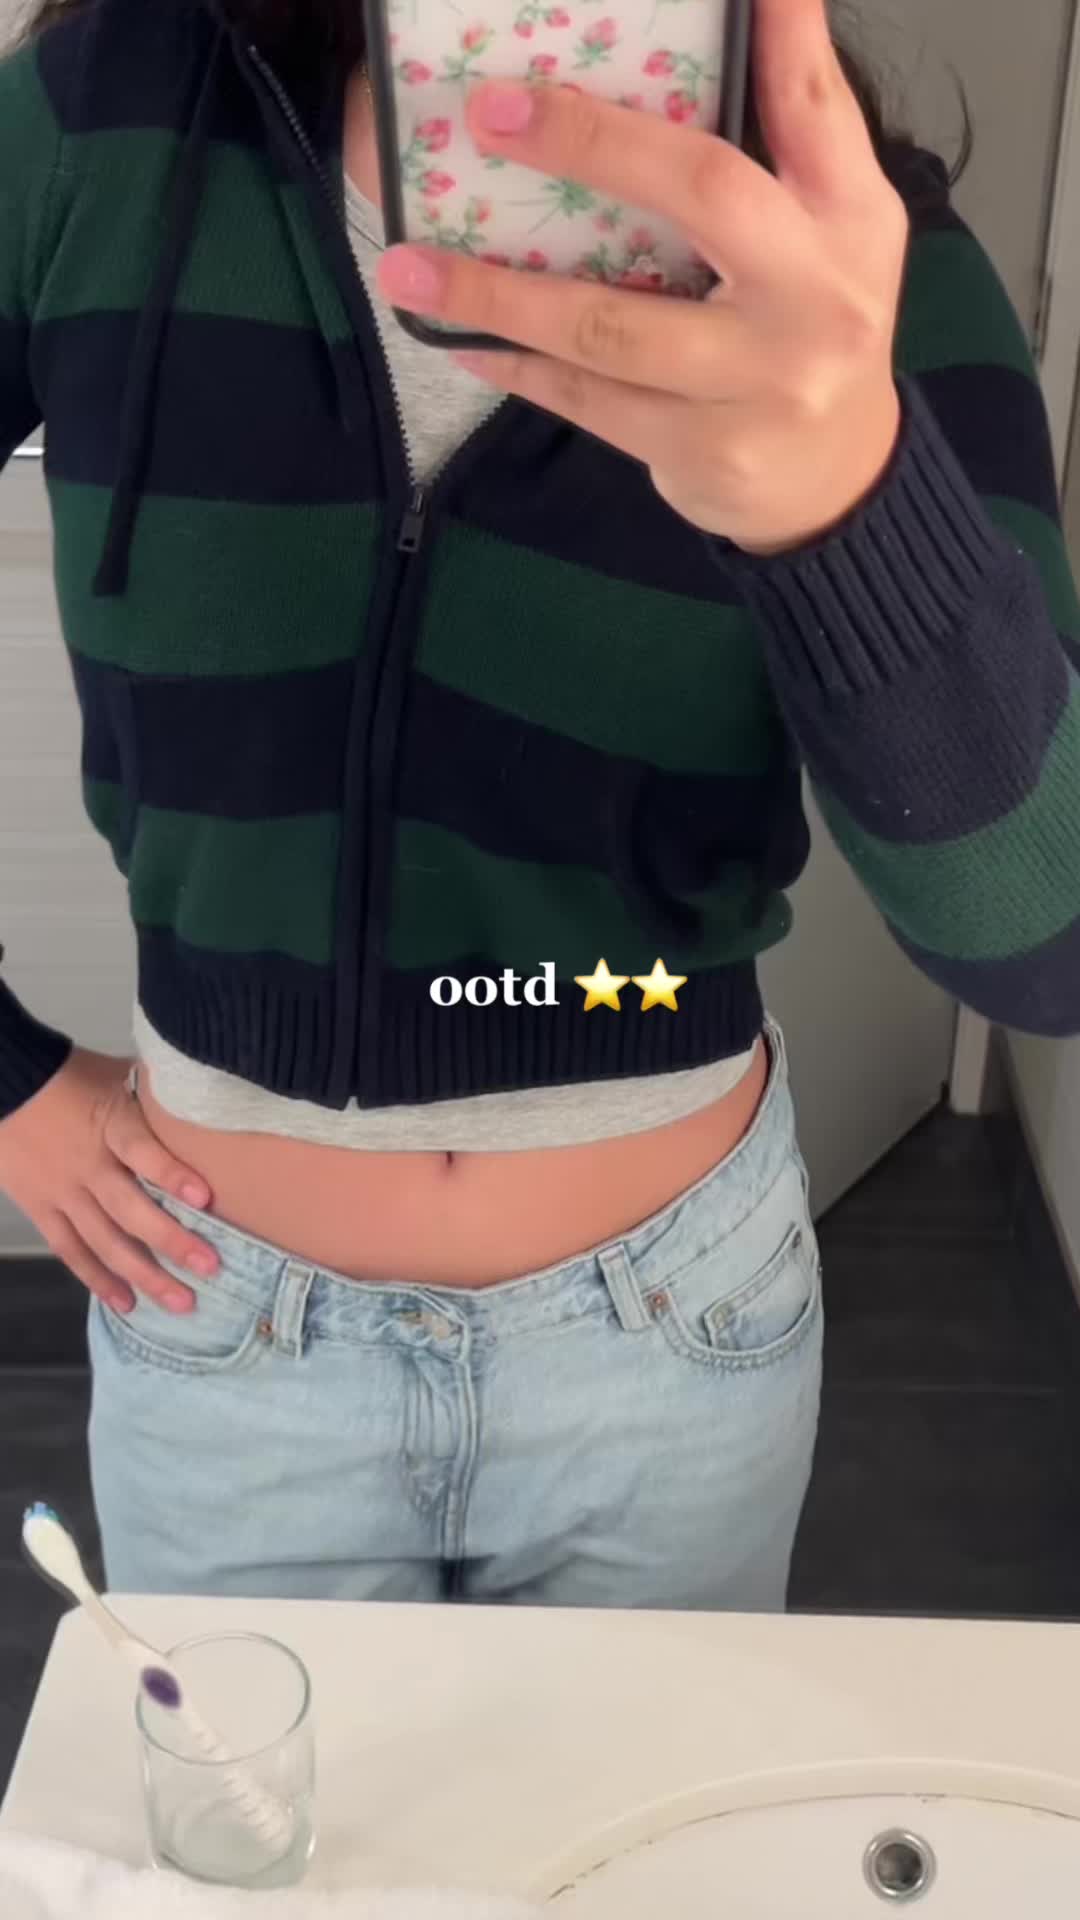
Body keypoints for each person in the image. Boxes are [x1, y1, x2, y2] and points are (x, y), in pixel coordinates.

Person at [1, 0, 1078, 1609]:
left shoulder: (857, 265)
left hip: (672, 1340)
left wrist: (849, 507)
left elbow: (1045, 941)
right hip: (226, 1342)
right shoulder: (101, 122)